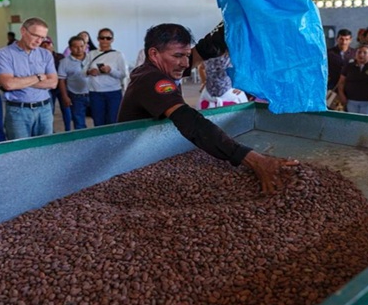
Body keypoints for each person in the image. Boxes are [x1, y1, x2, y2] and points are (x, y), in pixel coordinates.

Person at [118, 23, 297, 193]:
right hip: (130, 161)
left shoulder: (165, 66)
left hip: (150, 151)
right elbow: (191, 123)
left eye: (186, 55)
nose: (186, 64)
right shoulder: (152, 79)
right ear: (154, 54)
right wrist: (253, 159)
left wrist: (238, 15)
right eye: (178, 56)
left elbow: (207, 48)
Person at [0, 17, 58, 140]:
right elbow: (9, 84)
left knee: (46, 148)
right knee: (20, 151)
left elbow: (53, 83)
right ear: (23, 31)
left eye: (42, 37)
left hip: (45, 109)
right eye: (35, 35)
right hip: (18, 111)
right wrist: (39, 77)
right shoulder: (4, 54)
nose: (39, 41)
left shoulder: (46, 54)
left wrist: (19, 80)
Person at [85, 28, 127, 126]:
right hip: (95, 92)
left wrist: (110, 70)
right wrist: (90, 71)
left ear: (112, 40)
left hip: (113, 92)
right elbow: (82, 71)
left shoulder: (118, 55)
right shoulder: (91, 54)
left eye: (108, 38)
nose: (105, 40)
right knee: (98, 121)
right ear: (98, 39)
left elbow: (123, 74)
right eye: (102, 38)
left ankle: (113, 141)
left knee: (113, 120)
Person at [336, 44, 368, 115]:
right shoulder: (349, 66)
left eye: (365, 53)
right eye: (359, 52)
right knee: (352, 122)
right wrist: (341, 95)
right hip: (351, 100)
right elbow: (341, 82)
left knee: (365, 122)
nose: (361, 55)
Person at [58, 36, 90, 130]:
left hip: (94, 94)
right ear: (70, 48)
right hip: (76, 96)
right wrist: (65, 97)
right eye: (76, 47)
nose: (79, 49)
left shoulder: (92, 58)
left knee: (98, 120)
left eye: (81, 46)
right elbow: (62, 81)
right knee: (79, 123)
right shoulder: (64, 62)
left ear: (85, 46)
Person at [41, 36, 71, 132]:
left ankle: (68, 129)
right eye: (43, 44)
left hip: (61, 87)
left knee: (66, 108)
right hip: (48, 88)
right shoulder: (39, 58)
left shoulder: (60, 57)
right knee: (50, 109)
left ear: (52, 45)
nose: (46, 46)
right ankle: (51, 130)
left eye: (48, 44)